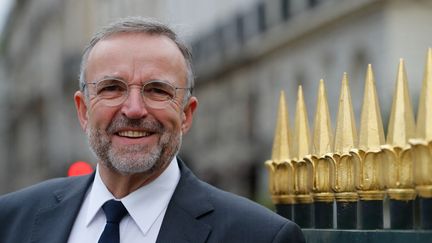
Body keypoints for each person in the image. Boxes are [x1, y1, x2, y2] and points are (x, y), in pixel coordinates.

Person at [0, 17, 305, 243]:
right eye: (112, 88)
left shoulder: (259, 237)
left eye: (157, 90)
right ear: (83, 110)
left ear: (186, 113)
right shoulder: (12, 219)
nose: (133, 109)